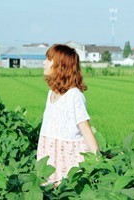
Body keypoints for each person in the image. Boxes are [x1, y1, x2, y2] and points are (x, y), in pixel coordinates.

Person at [37, 44, 99, 186]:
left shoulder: (74, 96)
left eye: (48, 59)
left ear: (60, 65)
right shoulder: (51, 94)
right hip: (49, 153)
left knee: (66, 191)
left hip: (68, 158)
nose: (44, 62)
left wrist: (98, 162)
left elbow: (86, 130)